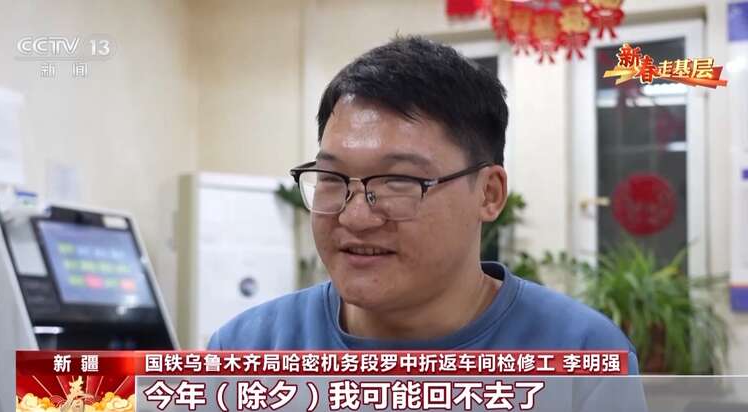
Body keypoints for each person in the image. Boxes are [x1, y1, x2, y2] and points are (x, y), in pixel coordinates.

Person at [207, 36, 639, 374]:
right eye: (332, 178)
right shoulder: (247, 352)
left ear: (489, 194)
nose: (355, 216)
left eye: (399, 181)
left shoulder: (581, 354)